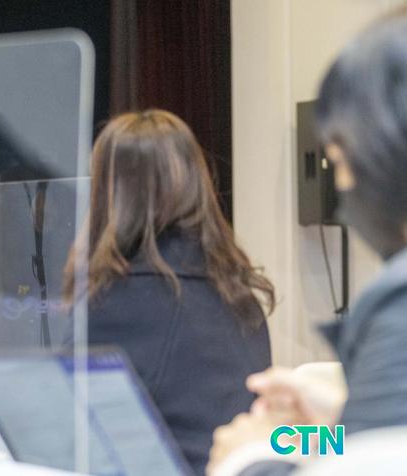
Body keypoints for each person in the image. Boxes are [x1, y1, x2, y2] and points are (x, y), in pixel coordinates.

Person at [0, 109, 275, 475]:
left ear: (108, 190)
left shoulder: (128, 295)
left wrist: (9, 417)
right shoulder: (237, 293)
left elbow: (71, 416)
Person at [207, 12, 407, 475]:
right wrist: (342, 418)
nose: (342, 186)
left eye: (342, 162)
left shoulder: (399, 306)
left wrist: (247, 457)